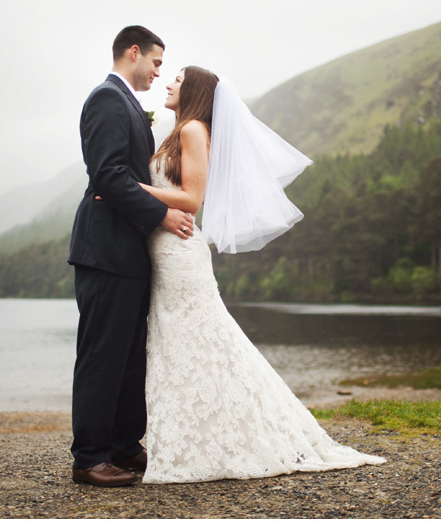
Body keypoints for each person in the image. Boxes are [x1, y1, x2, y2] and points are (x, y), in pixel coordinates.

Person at [137, 66, 387, 483]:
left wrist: (134, 188)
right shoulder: (181, 130)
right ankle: (199, 435)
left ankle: (240, 436)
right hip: (164, 251)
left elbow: (192, 199)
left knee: (201, 341)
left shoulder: (193, 130)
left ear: (195, 90)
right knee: (182, 346)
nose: (168, 83)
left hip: (180, 253)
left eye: (177, 79)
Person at [68, 26, 194, 488]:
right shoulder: (106, 98)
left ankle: (123, 447)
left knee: (127, 357)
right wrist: (162, 215)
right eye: (157, 63)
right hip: (105, 251)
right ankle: (89, 458)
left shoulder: (127, 104)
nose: (158, 72)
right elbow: (106, 175)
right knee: (102, 354)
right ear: (135, 53)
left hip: (128, 251)